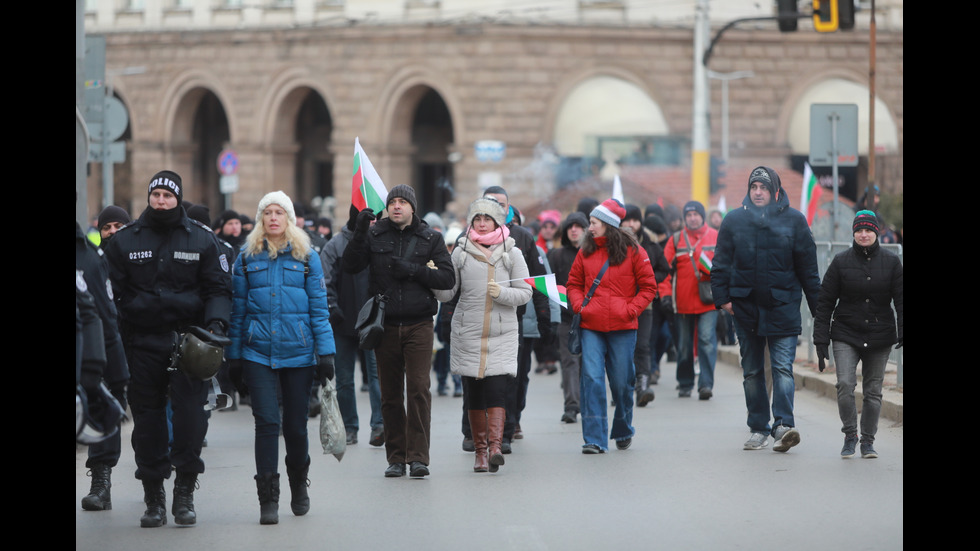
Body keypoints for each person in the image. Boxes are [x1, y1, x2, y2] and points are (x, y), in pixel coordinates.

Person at [103, 170, 232, 527]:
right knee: (148, 424)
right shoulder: (125, 241)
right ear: (149, 197)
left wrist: (215, 326)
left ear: (178, 198)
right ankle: (153, 496)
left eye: (167, 195)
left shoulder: (202, 240)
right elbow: (112, 293)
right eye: (155, 194)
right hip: (142, 343)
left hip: (189, 343)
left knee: (191, 420)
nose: (161, 200)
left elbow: (219, 289)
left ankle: (185, 492)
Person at [226, 191, 336, 525]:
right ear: (261, 219)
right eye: (267, 213)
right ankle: (267, 499)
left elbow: (319, 309)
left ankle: (298, 485)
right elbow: (238, 311)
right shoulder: (246, 258)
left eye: (280, 212)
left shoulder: (307, 257)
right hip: (257, 352)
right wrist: (233, 356)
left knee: (295, 427)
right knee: (267, 423)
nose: (273, 218)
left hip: (299, 354)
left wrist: (326, 352)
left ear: (289, 219)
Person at [342, 184, 455, 478]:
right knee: (390, 394)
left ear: (412, 207)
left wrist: (415, 271)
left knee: (418, 390)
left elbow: (447, 278)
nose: (396, 206)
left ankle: (418, 457)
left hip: (419, 324)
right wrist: (358, 231)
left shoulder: (431, 237)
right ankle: (396, 457)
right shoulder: (374, 234)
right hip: (386, 324)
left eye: (403, 201)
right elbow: (351, 265)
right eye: (392, 201)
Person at [711, 166, 821, 453]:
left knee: (783, 368)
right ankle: (758, 427)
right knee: (752, 371)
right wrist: (723, 299)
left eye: (763, 187)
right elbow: (720, 264)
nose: (758, 192)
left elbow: (809, 271)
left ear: (775, 191)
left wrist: (820, 311)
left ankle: (783, 425)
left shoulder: (795, 221)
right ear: (748, 191)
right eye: (754, 187)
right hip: (745, 309)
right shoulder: (734, 221)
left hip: (783, 307)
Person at [435, 197, 532, 472]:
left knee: (497, 391)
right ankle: (479, 452)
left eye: (487, 218)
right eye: (477, 218)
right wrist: (432, 278)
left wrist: (502, 293)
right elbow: (447, 293)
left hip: (502, 333)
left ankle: (495, 448)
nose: (481, 223)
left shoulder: (512, 252)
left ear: (497, 221)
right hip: (469, 332)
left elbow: (525, 293)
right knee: (474, 393)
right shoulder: (461, 252)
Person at [566, 198, 657, 454]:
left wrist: (631, 309)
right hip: (591, 326)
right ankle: (594, 439)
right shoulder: (585, 251)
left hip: (623, 327)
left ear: (608, 224)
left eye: (593, 223)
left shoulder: (635, 251)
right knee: (592, 379)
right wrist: (579, 306)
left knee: (622, 383)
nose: (589, 227)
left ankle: (623, 428)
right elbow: (573, 283)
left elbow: (650, 287)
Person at [813, 211, 903, 459]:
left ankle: (868, 441)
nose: (864, 235)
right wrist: (820, 339)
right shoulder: (840, 261)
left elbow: (901, 299)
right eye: (859, 230)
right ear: (853, 233)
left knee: (873, 391)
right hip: (846, 332)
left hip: (880, 335)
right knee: (844, 384)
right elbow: (825, 302)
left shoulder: (892, 262)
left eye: (868, 230)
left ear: (876, 232)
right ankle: (850, 434)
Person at [481, 186, 553, 453]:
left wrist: (545, 317)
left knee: (514, 377)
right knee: (482, 377)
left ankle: (507, 431)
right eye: (490, 203)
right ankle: (479, 432)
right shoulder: (471, 236)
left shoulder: (522, 236)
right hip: (481, 320)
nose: (496, 208)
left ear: (508, 207)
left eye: (500, 204)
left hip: (514, 320)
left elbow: (538, 280)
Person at [77, 213, 130, 512]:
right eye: (106, 227)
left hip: (130, 342)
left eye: (117, 226)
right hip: (103, 346)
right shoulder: (93, 256)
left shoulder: (92, 257)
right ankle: (101, 481)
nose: (112, 232)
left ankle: (156, 480)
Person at [320, 205, 385, 448]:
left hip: (374, 322)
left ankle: (379, 425)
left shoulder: (380, 240)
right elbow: (324, 281)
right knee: (345, 379)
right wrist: (332, 307)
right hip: (343, 321)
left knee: (377, 377)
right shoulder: (335, 245)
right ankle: (350, 427)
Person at [662, 200, 719, 400]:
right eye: (689, 215)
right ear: (684, 218)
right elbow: (664, 272)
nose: (693, 218)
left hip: (709, 301)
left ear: (702, 216)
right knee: (684, 345)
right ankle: (685, 383)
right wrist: (665, 294)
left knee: (706, 341)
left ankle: (706, 385)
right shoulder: (676, 239)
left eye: (696, 214)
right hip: (682, 303)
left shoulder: (715, 236)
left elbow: (727, 266)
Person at [621, 204, 670, 406]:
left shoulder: (650, 244)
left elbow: (664, 268)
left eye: (635, 220)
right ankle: (622, 388)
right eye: (628, 220)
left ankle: (642, 386)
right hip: (619, 305)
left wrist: (648, 280)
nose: (631, 224)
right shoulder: (614, 243)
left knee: (642, 346)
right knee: (622, 348)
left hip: (645, 305)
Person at [547, 211, 588, 423]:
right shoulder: (555, 256)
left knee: (590, 363)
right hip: (565, 318)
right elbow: (547, 286)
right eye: (570, 226)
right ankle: (571, 406)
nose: (574, 229)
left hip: (592, 318)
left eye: (578, 226)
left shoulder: (594, 254)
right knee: (569, 362)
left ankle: (590, 404)